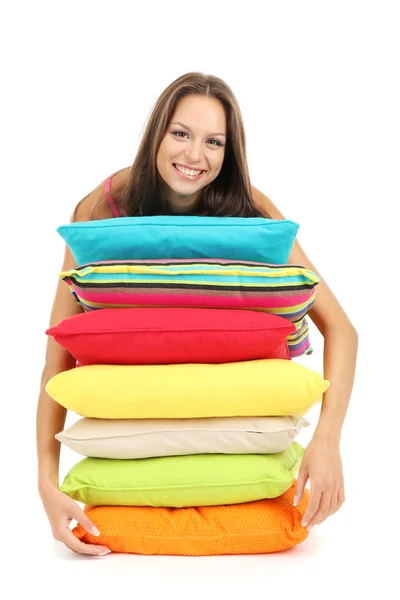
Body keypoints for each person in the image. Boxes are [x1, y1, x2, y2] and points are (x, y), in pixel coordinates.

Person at [37, 72, 358, 556]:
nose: (194, 156)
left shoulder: (250, 211)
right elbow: (57, 355)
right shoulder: (102, 211)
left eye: (214, 142)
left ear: (229, 153)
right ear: (157, 133)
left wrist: (328, 441)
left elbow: (342, 328)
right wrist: (46, 482)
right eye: (180, 133)